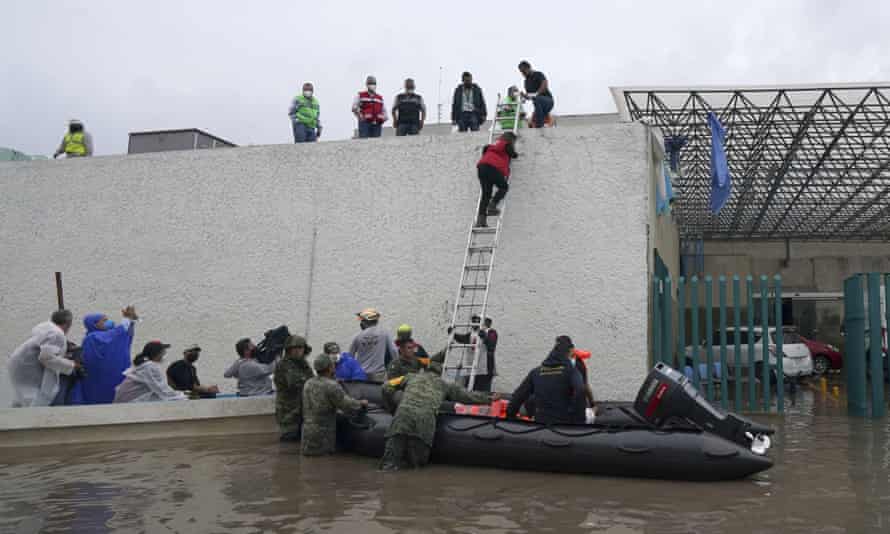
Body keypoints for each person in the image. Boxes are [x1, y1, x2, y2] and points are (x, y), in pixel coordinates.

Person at [381, 356, 496, 470]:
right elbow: (468, 396)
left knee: (389, 464)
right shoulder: (445, 385)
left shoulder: (410, 377)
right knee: (415, 466)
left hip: (401, 419)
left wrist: (392, 408)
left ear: (425, 369)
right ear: (440, 373)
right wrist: (490, 398)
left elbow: (386, 387)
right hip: (423, 424)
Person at [506, 335, 586, 425]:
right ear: (570, 352)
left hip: (540, 425)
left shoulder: (536, 372)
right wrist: (579, 421)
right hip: (564, 426)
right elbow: (580, 389)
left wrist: (510, 416)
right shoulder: (571, 371)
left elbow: (518, 395)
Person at [301, 354, 368, 456]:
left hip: (307, 434)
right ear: (330, 367)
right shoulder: (332, 386)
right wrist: (361, 403)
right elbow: (346, 405)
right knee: (324, 466)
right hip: (323, 436)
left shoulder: (308, 383)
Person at [8, 310, 79, 407]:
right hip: (29, 371)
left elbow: (44, 352)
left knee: (24, 399)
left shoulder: (47, 329)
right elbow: (46, 358)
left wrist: (61, 357)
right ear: (68, 324)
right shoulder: (56, 334)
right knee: (35, 401)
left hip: (20, 366)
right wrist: (71, 365)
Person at [69, 306, 138, 405]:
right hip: (98, 381)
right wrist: (126, 319)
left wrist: (131, 321)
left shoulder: (104, 335)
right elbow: (117, 334)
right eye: (104, 320)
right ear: (95, 324)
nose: (109, 322)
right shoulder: (92, 338)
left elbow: (124, 335)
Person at [114, 341, 188, 403]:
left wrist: (179, 394)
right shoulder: (149, 366)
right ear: (157, 353)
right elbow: (161, 389)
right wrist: (183, 397)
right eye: (163, 351)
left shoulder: (143, 364)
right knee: (166, 401)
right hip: (130, 401)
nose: (165, 353)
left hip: (126, 400)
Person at [274, 335, 314, 442]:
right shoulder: (284, 364)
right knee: (289, 438)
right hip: (288, 410)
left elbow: (312, 379)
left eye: (300, 348)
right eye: (294, 348)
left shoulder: (303, 364)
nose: (297, 351)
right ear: (289, 350)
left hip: (302, 408)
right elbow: (294, 383)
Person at [475, 131, 518, 228]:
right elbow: (513, 155)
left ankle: (480, 221)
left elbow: (485, 152)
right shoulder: (506, 145)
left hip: (481, 168)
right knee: (503, 187)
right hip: (492, 168)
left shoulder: (489, 147)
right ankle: (492, 206)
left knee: (486, 195)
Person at [349, 308, 398, 382]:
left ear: (365, 321)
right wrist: (396, 367)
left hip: (361, 375)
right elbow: (394, 351)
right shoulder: (384, 334)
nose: (361, 323)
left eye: (362, 320)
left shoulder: (357, 337)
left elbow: (350, 357)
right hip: (379, 375)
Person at [518, 60, 554, 128]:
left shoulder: (538, 74)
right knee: (531, 124)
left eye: (523, 71)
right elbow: (529, 97)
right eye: (521, 72)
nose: (523, 73)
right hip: (538, 106)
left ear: (529, 68)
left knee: (537, 99)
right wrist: (524, 96)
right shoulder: (526, 82)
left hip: (548, 101)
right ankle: (542, 122)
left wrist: (537, 94)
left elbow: (545, 84)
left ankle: (540, 124)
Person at [473, 317, 498, 393]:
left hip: (486, 369)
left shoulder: (492, 332)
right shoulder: (474, 333)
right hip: (473, 367)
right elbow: (464, 339)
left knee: (483, 392)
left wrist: (484, 336)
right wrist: (454, 334)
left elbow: (491, 346)